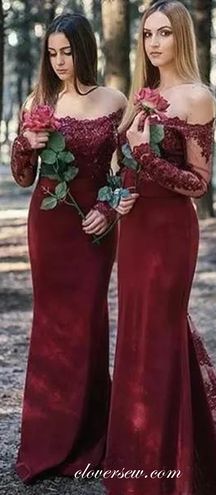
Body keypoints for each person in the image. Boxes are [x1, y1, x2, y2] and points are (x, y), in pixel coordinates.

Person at [103, 2, 216, 494]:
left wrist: (145, 158)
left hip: (172, 233)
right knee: (137, 334)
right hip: (134, 229)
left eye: (163, 33)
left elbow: (198, 183)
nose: (153, 43)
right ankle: (136, 453)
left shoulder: (198, 97)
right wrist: (121, 191)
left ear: (182, 37)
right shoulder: (146, 95)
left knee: (160, 331)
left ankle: (168, 460)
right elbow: (123, 167)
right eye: (146, 34)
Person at [10, 12, 128, 484]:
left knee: (88, 321)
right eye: (52, 53)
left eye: (68, 51)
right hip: (50, 223)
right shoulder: (39, 101)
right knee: (52, 324)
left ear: (86, 50)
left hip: (95, 226)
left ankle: (89, 436)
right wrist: (26, 143)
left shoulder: (115, 100)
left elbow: (126, 171)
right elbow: (23, 178)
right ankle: (47, 440)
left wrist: (110, 207)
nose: (60, 61)